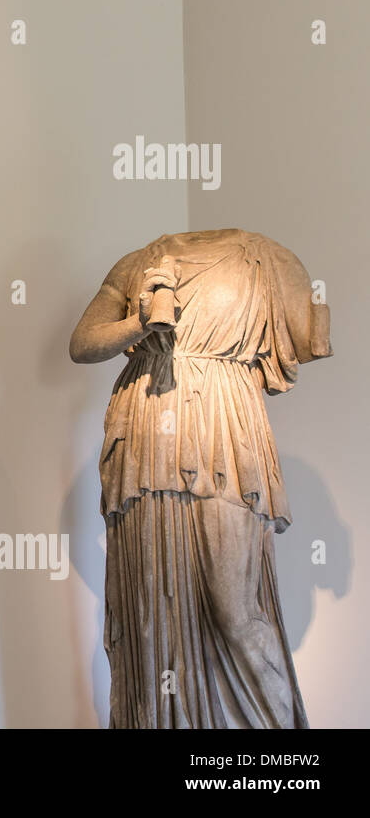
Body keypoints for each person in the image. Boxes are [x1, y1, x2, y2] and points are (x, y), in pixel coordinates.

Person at [70, 228, 330, 728]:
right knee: (151, 606)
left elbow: (307, 332)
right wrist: (140, 324)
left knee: (235, 607)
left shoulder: (267, 260)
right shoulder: (138, 263)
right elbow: (83, 344)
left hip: (225, 430)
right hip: (146, 432)